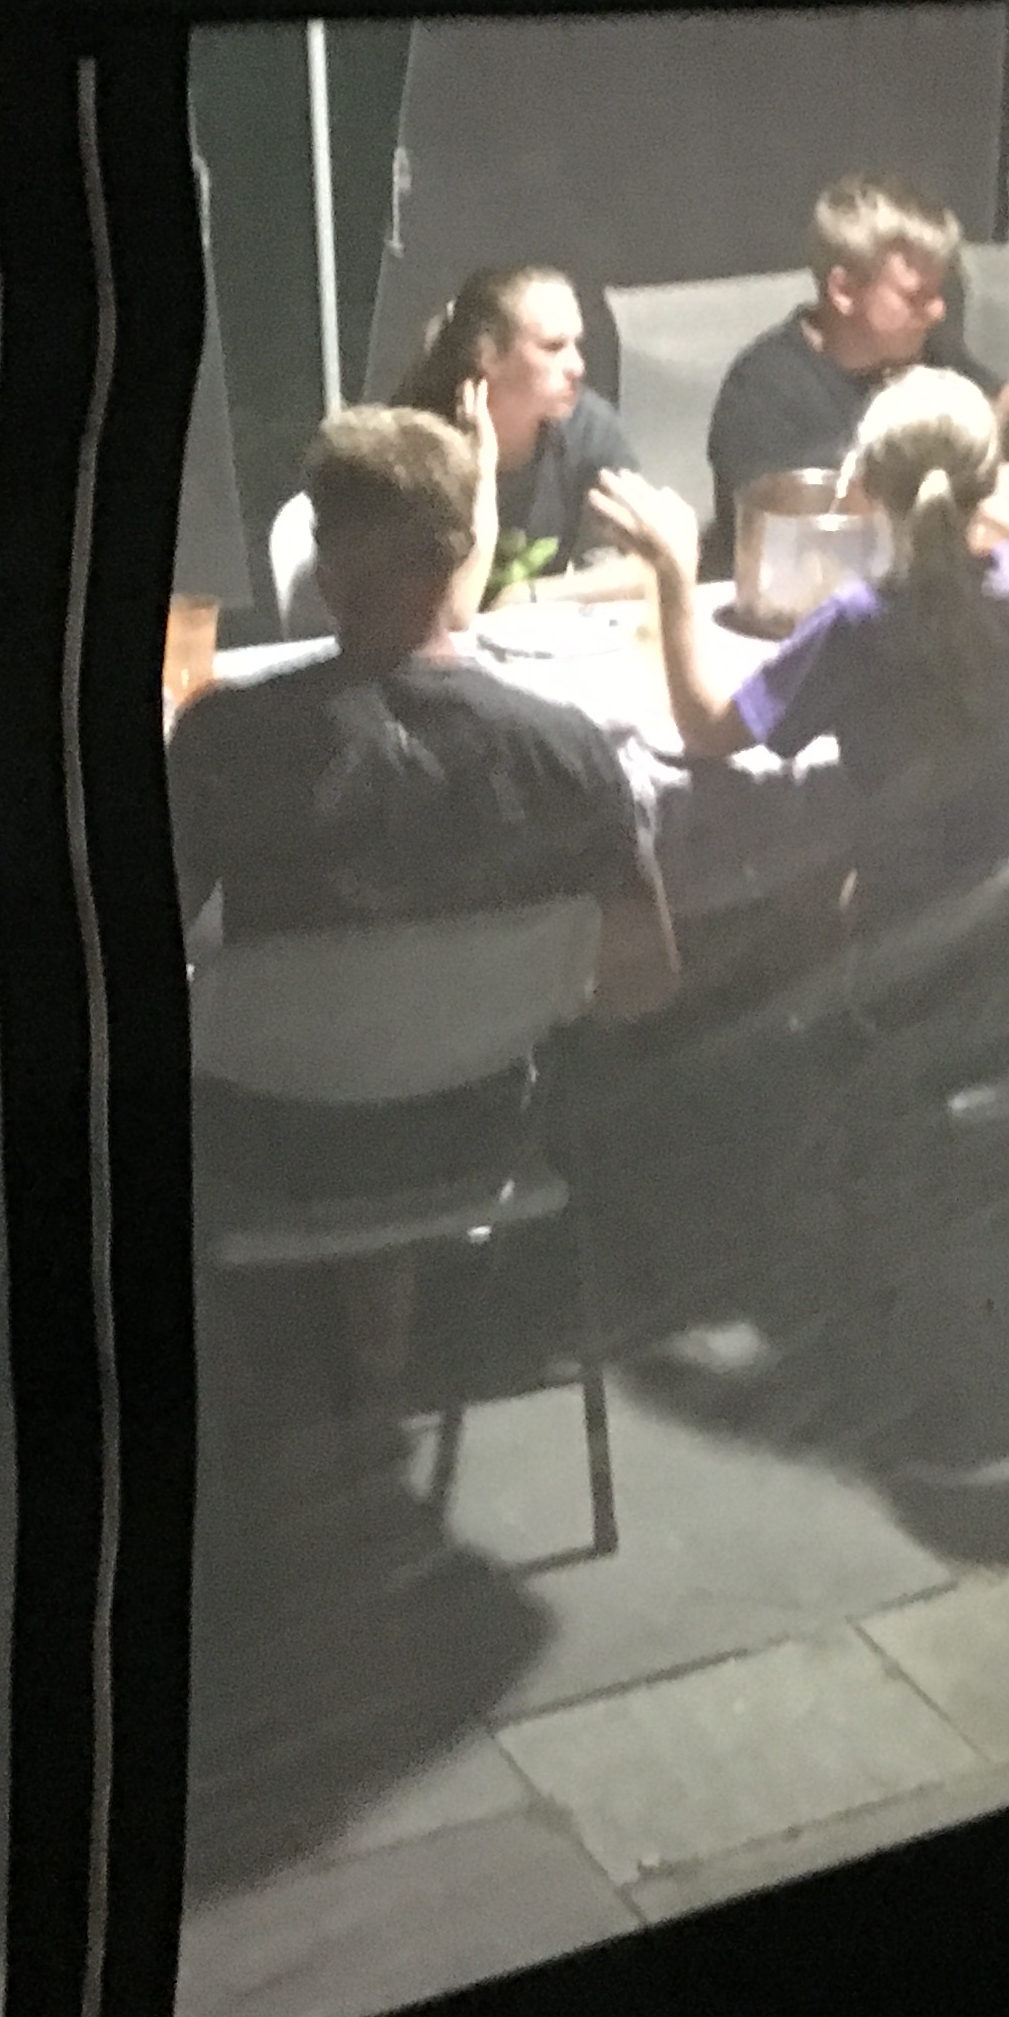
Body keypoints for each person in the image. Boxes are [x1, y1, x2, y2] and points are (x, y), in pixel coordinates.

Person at [174, 405, 681, 1386]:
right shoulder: (566, 748)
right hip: (481, 1129)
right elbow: (647, 979)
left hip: (270, 1139)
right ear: (461, 557)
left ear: (326, 569)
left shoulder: (223, 742)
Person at [597, 366, 1009, 927]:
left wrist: (672, 576)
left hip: (919, 935)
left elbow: (708, 730)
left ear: (862, 484)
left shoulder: (862, 621)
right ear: (986, 479)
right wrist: (983, 497)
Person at [699, 176, 1009, 579]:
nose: (938, 311)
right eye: (917, 296)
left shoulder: (924, 353)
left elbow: (987, 405)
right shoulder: (761, 390)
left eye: (940, 291)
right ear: (844, 290)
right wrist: (972, 502)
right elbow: (804, 541)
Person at [388, 261, 649, 619]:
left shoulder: (587, 428)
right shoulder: (418, 444)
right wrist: (480, 476)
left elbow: (649, 565)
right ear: (488, 355)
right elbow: (453, 615)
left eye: (577, 344)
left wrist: (526, 597)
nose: (577, 366)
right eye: (553, 347)